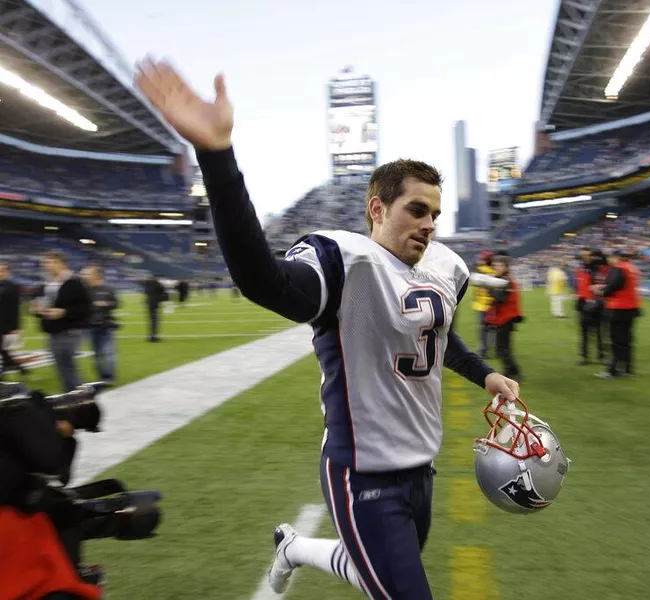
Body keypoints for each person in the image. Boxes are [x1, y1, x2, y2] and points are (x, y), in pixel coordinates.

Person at [134, 58, 519, 599]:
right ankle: (299, 548)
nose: (429, 223)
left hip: (421, 469)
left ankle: (293, 548)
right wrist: (216, 156)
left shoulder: (445, 268)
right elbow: (263, 281)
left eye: (435, 212)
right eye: (416, 209)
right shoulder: (345, 261)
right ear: (377, 208)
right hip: (362, 474)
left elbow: (434, 336)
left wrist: (486, 376)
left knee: (372, 573)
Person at [30, 251, 91, 392]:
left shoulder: (75, 282)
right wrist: (37, 310)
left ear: (61, 263)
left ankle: (78, 395)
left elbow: (85, 308)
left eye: (49, 262)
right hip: (52, 329)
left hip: (69, 329)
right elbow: (41, 304)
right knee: (63, 366)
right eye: (45, 263)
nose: (46, 266)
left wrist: (64, 312)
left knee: (66, 365)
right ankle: (75, 395)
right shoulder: (46, 283)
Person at [592, 249, 641, 379]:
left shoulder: (618, 268)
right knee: (626, 340)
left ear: (615, 257)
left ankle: (613, 369)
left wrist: (599, 291)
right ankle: (627, 368)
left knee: (616, 340)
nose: (608, 260)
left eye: (609, 257)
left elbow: (614, 286)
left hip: (618, 308)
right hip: (632, 307)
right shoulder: (632, 268)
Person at [485, 254, 523, 380]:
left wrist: (489, 289)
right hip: (505, 317)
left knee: (501, 347)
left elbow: (501, 298)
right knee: (503, 347)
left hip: (506, 318)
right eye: (495, 264)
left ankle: (515, 371)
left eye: (499, 265)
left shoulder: (506, 280)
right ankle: (509, 370)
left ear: (506, 267)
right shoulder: (503, 279)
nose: (495, 267)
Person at [81, 266, 120, 385]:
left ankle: (110, 377)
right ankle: (102, 377)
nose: (85, 277)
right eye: (85, 275)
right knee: (97, 354)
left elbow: (116, 303)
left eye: (88, 274)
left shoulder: (108, 289)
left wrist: (105, 304)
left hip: (106, 326)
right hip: (90, 326)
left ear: (96, 276)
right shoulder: (84, 291)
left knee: (109, 353)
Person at [574, 249, 608, 366]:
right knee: (584, 333)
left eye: (588, 255)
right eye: (583, 255)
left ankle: (601, 356)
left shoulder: (598, 269)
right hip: (583, 304)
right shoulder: (580, 270)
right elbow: (577, 286)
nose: (585, 257)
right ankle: (584, 356)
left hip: (596, 303)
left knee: (600, 332)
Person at [0, 262, 26, 379]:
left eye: (2, 270)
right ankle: (16, 367)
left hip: (6, 325)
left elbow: (15, 309)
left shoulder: (12, 287)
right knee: (3, 351)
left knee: (3, 350)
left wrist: (16, 327)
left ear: (7, 272)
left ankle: (13, 366)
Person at [472, 251, 495, 358]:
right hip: (492, 304)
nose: (479, 260)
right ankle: (495, 348)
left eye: (482, 259)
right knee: (492, 328)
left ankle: (483, 351)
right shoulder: (494, 271)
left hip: (482, 305)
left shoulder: (480, 270)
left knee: (484, 329)